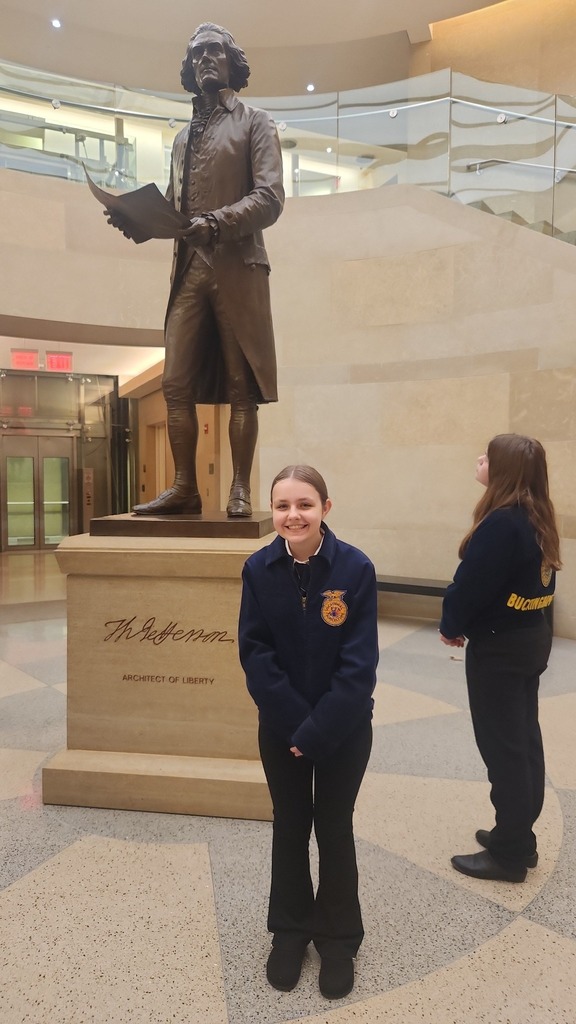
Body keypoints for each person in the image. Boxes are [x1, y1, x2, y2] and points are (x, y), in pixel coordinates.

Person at [106, 23, 284, 517]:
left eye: (215, 51)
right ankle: (185, 487)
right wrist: (137, 221)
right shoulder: (183, 138)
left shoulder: (256, 122)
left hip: (236, 268)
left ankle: (240, 488)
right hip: (189, 269)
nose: (206, 58)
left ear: (232, 62)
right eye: (197, 53)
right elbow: (175, 208)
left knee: (238, 383)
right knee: (174, 382)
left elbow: (270, 198)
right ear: (189, 67)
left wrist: (217, 222)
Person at [238, 465, 379, 999]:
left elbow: (359, 664)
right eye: (281, 505)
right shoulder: (258, 568)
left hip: (343, 728)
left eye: (304, 504)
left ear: (326, 507)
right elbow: (255, 653)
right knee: (290, 824)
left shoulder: (355, 568)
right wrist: (296, 725)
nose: (292, 515)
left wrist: (318, 730)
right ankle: (291, 930)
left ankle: (339, 938)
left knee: (334, 826)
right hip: (281, 728)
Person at [440, 434, 561, 883]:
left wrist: (452, 624)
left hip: (501, 649)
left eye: (487, 456)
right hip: (530, 639)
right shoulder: (537, 517)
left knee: (503, 748)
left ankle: (511, 854)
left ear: (504, 469)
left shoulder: (502, 522)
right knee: (523, 740)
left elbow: (471, 584)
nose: (479, 459)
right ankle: (518, 836)